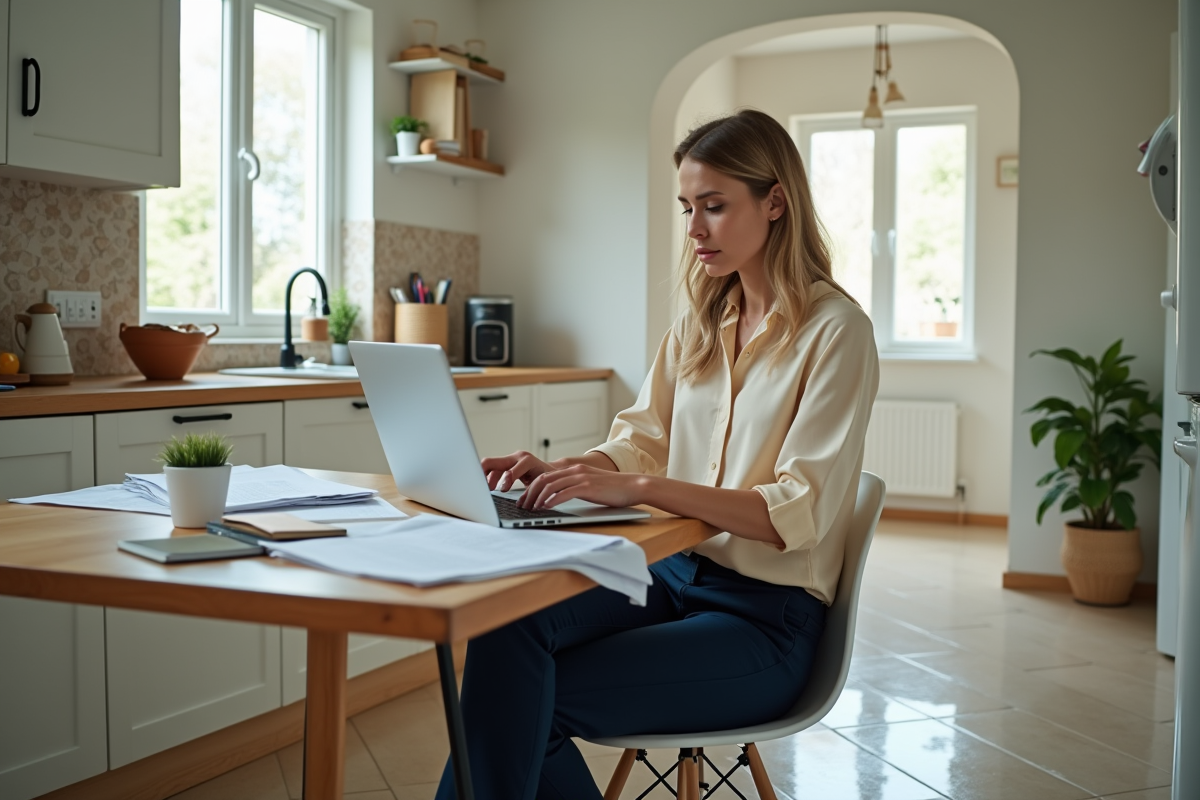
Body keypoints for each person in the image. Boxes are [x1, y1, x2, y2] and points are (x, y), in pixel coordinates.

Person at [434, 108, 879, 800]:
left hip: (767, 621)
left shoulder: (836, 332)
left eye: (714, 207)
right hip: (671, 579)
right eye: (687, 208)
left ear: (775, 202)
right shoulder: (699, 324)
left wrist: (643, 487)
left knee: (521, 700)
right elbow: (639, 436)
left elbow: (798, 512)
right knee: (506, 631)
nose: (695, 230)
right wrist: (568, 470)